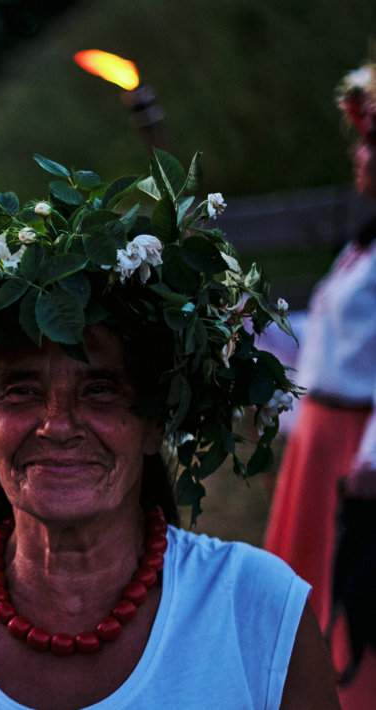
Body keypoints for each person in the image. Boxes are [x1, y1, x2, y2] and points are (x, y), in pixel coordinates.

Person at [0, 152, 340, 708]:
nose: (57, 425)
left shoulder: (258, 614)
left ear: (152, 423)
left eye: (100, 390)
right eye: (21, 390)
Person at [264, 59, 376, 709]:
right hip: (320, 442)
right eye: (359, 141)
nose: (359, 157)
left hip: (356, 451)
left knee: (354, 596)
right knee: (304, 602)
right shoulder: (359, 248)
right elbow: (328, 357)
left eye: (373, 144)